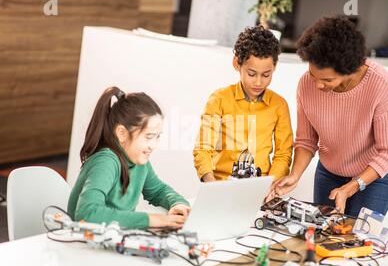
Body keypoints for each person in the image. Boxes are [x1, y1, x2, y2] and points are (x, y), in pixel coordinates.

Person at [269, 16, 388, 217]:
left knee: (359, 238)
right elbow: (306, 140)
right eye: (314, 75)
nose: (318, 85)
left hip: (374, 174)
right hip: (330, 172)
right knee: (321, 235)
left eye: (328, 79)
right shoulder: (306, 85)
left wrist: (352, 186)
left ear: (351, 69)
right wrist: (295, 175)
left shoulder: (380, 85)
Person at [67, 87, 190, 229]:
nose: (154, 145)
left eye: (157, 137)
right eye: (149, 137)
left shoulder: (139, 161)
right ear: (122, 133)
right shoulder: (105, 162)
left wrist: (177, 203)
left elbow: (158, 191)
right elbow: (87, 214)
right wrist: (153, 220)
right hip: (80, 246)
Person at [193, 26, 293, 183]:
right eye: (251, 74)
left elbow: (283, 154)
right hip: (221, 185)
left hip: (261, 190)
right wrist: (211, 184)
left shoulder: (279, 105)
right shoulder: (218, 99)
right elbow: (203, 147)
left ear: (274, 67)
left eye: (266, 75)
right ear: (237, 64)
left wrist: (270, 185)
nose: (259, 82)